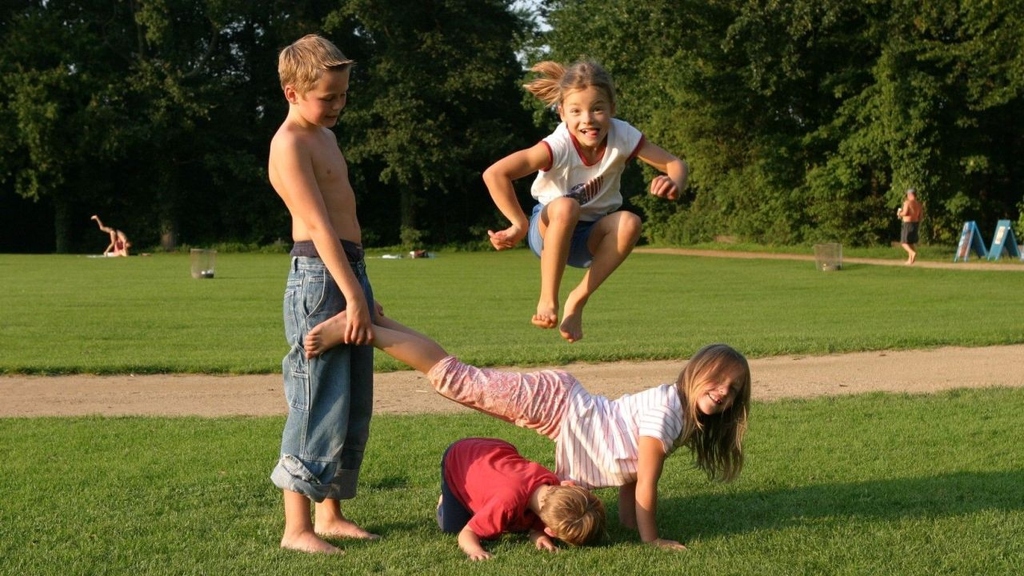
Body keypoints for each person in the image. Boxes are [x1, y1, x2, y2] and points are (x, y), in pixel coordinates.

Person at [304, 312, 750, 550]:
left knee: (463, 378)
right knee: (457, 379)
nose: (723, 393)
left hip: (562, 405)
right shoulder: (667, 414)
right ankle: (362, 330)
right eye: (718, 380)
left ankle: (383, 321)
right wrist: (652, 540)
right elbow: (647, 484)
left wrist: (629, 526)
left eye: (732, 391)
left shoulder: (675, 409)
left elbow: (629, 476)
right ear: (695, 373)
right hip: (558, 404)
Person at [267, 33, 381, 555]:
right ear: (292, 92)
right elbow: (316, 225)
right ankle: (297, 529)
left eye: (342, 95)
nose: (337, 105)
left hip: (347, 269)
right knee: (316, 397)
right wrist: (351, 294)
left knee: (352, 398)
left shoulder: (325, 136)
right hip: (319, 277)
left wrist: (362, 290)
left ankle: (330, 513)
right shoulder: (289, 143)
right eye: (326, 97)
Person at [483, 59, 689, 343]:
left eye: (597, 109)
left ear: (612, 109)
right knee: (567, 206)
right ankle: (547, 298)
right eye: (576, 111)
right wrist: (517, 223)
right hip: (546, 231)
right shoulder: (558, 146)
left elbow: (675, 164)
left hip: (588, 238)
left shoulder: (624, 136)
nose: (587, 119)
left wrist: (674, 182)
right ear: (562, 114)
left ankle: (577, 300)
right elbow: (495, 173)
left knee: (630, 222)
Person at [437, 437, 606, 560]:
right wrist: (475, 550)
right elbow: (468, 533)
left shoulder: (551, 485)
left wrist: (539, 537)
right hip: (459, 459)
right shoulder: (506, 504)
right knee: (453, 527)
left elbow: (536, 526)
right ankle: (445, 500)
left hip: (496, 450)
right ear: (551, 530)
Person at [897, 188, 923, 264]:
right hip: (916, 223)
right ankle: (910, 260)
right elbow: (921, 216)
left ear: (910, 194)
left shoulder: (907, 202)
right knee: (910, 242)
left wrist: (899, 214)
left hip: (907, 223)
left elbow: (905, 213)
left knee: (904, 242)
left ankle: (912, 253)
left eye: (908, 195)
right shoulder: (919, 204)